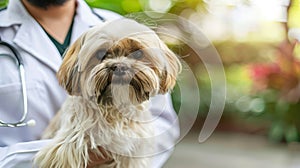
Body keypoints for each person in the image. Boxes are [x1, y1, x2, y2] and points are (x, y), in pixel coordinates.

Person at [0, 0, 179, 167]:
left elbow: (163, 124)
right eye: (102, 55)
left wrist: (130, 152)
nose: (120, 65)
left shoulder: (122, 24)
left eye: (136, 55)